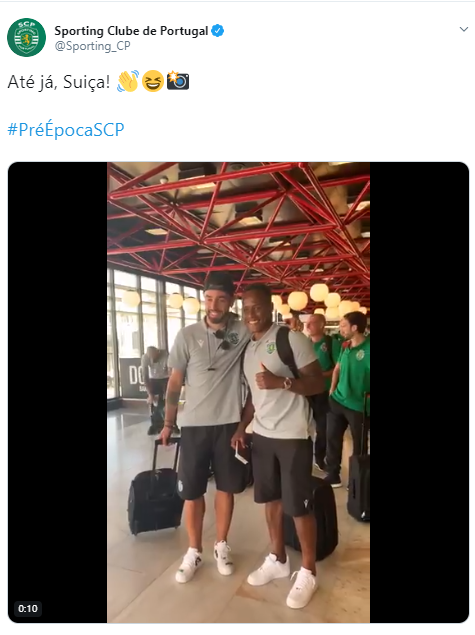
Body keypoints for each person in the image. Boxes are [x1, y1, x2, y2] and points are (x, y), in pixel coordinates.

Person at [233, 284, 325, 610]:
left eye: (256, 307)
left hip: (293, 434)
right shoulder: (248, 348)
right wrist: (242, 427)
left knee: (298, 505)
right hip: (263, 434)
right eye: (245, 309)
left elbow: (318, 382)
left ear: (270, 308)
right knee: (269, 499)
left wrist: (281, 382)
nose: (251, 314)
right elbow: (253, 396)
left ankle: (309, 571)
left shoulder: (290, 339)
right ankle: (278, 558)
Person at [160, 272, 250, 584]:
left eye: (221, 299)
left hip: (228, 424)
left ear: (231, 302)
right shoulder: (187, 335)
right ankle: (194, 550)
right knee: (192, 490)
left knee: (226, 487)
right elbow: (175, 382)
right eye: (209, 298)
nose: (214, 305)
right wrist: (168, 422)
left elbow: (256, 327)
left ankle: (221, 545)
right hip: (194, 425)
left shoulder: (239, 332)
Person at [324, 312, 370, 489]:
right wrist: (332, 390)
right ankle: (333, 475)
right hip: (338, 400)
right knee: (332, 439)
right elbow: (337, 368)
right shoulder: (345, 345)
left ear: (355, 327)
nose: (340, 329)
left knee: (359, 446)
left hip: (359, 405)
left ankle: (357, 480)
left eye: (343, 325)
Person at [306, 314, 341, 470]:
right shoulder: (305, 343)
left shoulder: (331, 343)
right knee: (303, 425)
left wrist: (321, 375)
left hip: (324, 392)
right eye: (307, 323)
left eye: (312, 323)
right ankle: (304, 457)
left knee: (323, 427)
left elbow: (339, 368)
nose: (307, 326)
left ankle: (320, 458)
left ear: (321, 325)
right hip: (306, 391)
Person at [141, 346, 169, 435]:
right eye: (150, 358)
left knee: (168, 401)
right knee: (154, 402)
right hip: (154, 379)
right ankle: (155, 425)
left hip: (166, 378)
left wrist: (168, 391)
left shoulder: (165, 355)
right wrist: (150, 394)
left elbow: (171, 371)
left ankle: (171, 424)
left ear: (158, 352)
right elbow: (145, 376)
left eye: (154, 357)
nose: (152, 360)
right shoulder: (145, 358)